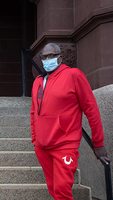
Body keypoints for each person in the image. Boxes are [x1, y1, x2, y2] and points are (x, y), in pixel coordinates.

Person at [30, 43, 110, 200]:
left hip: (64, 146)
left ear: (60, 57)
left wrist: (98, 143)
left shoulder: (74, 75)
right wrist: (35, 139)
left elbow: (91, 110)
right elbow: (34, 112)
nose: (47, 59)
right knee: (54, 189)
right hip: (42, 147)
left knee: (62, 191)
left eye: (51, 56)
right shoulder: (38, 82)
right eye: (44, 57)